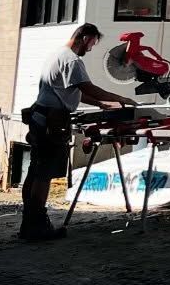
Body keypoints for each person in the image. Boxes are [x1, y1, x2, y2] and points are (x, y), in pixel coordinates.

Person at [20, 23, 134, 242]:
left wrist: (103, 104)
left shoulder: (57, 55)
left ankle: (30, 223)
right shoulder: (72, 60)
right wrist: (121, 99)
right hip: (49, 123)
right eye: (92, 43)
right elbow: (87, 88)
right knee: (43, 174)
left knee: (36, 171)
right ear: (85, 37)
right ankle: (36, 226)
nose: (90, 49)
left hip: (40, 118)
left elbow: (74, 91)